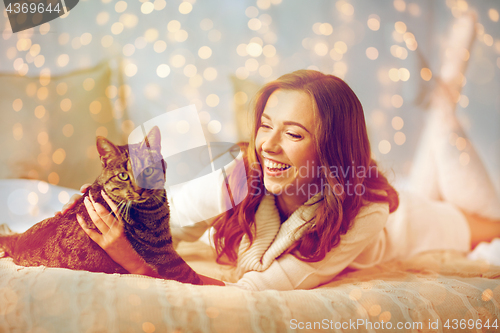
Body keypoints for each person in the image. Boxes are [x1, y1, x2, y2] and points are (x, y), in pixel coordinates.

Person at [61, 70, 500, 291]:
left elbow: (248, 295)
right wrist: (111, 203)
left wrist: (135, 264)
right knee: (436, 164)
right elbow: (170, 211)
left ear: (329, 150)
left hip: (417, 223)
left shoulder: (366, 212)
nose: (268, 145)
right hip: (398, 192)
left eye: (293, 134)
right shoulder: (249, 170)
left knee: (487, 221)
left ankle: (444, 99)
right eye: (265, 125)